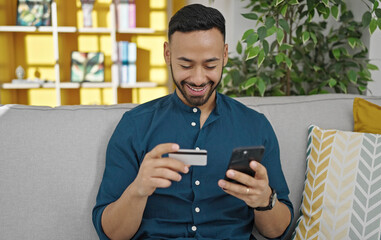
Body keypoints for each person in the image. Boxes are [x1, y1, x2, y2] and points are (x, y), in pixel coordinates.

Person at [92, 4, 293, 240]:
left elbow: (278, 231)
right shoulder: (135, 125)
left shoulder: (255, 126)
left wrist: (265, 200)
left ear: (225, 55)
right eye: (185, 65)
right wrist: (138, 190)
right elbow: (111, 234)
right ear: (167, 54)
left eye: (210, 65)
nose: (198, 79)